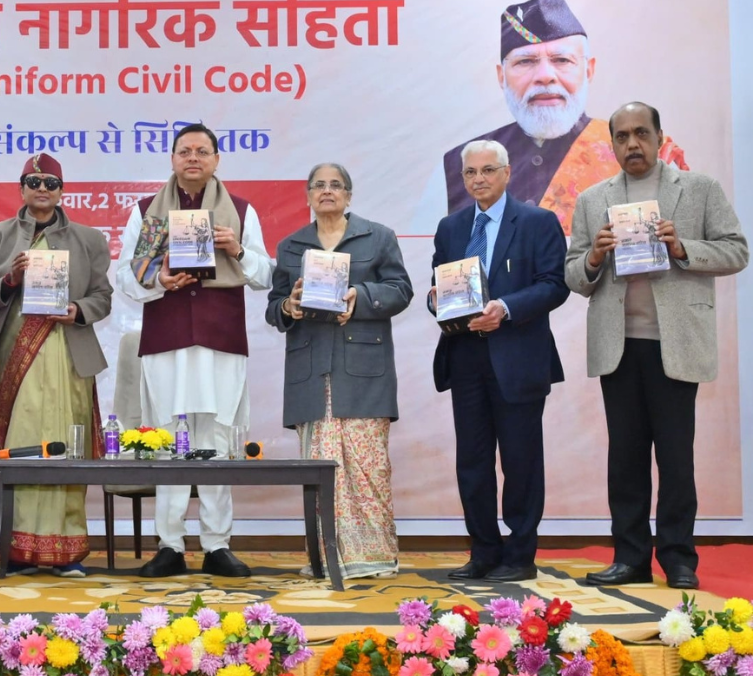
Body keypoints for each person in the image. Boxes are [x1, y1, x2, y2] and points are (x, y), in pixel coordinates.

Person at [565, 102, 747, 590]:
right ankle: (630, 558)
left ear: (660, 137)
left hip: (676, 343)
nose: (632, 144)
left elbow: (737, 250)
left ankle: (679, 559)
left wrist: (683, 247)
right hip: (618, 345)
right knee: (624, 460)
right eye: (622, 136)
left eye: (641, 133)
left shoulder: (700, 188)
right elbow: (573, 275)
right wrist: (594, 257)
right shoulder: (592, 199)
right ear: (611, 144)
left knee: (675, 459)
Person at [114, 123, 273, 578]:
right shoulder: (146, 211)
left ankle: (217, 544)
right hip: (166, 343)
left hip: (221, 342)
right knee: (167, 439)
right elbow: (123, 276)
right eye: (185, 151)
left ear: (217, 160)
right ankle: (169, 545)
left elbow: (265, 274)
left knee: (217, 440)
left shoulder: (240, 210)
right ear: (172, 158)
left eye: (203, 151)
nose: (193, 159)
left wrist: (237, 249)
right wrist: (157, 280)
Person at [415, 0, 687, 235]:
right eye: (525, 61)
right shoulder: (456, 167)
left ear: (589, 70)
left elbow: (682, 238)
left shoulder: (647, 153)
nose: (545, 76)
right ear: (501, 76)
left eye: (562, 60)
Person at [430, 139, 569, 582]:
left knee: (521, 461)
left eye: (488, 170)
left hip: (518, 359)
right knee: (472, 463)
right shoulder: (450, 227)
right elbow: (440, 286)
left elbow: (554, 285)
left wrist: (505, 309)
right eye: (471, 172)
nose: (479, 180)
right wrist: (437, 300)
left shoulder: (537, 221)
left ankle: (520, 556)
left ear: (507, 173)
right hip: (465, 358)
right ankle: (484, 551)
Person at [266, 164, 413, 579]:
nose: (327, 191)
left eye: (336, 185)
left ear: (349, 195)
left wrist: (359, 296)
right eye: (319, 185)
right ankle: (326, 556)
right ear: (308, 196)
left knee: (368, 468)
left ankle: (375, 557)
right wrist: (289, 306)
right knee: (320, 469)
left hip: (363, 371)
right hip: (311, 371)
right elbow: (275, 306)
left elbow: (401, 290)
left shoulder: (378, 236)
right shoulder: (291, 246)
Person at [0, 153, 114, 578]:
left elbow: (103, 297)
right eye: (34, 182)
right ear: (21, 189)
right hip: (14, 358)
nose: (42, 189)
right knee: (23, 444)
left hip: (67, 354)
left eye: (50, 183)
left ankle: (66, 549)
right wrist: (11, 278)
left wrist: (77, 310)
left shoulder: (88, 239)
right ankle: (16, 549)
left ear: (62, 191)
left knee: (65, 444)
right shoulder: (0, 234)